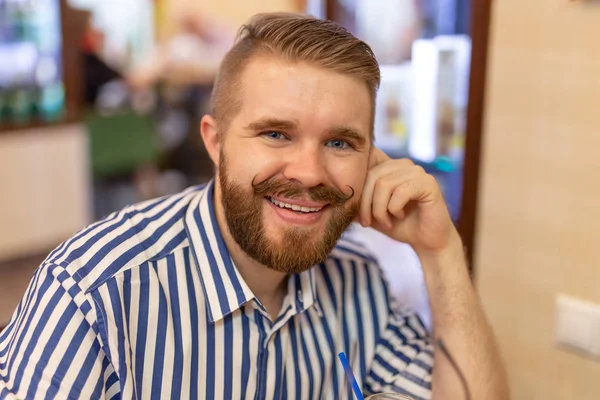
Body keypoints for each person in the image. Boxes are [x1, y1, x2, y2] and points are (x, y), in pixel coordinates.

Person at [0, 13, 508, 399]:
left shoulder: (359, 280)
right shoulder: (93, 293)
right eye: (275, 133)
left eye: (339, 143)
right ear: (216, 142)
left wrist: (441, 255)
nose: (309, 173)